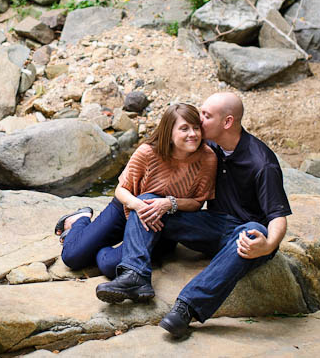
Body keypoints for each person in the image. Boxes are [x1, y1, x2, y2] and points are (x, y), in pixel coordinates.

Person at [95, 92, 292, 339]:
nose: (199, 120)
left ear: (227, 122)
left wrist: (268, 245)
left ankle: (186, 309)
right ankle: (135, 275)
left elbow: (277, 216)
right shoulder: (210, 145)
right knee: (148, 201)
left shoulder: (261, 162)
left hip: (243, 238)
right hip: (212, 226)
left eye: (206, 116)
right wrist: (165, 201)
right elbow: (171, 148)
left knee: (255, 228)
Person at [56, 103, 217, 282]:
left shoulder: (207, 159)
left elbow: (197, 202)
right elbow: (121, 190)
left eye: (196, 128)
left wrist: (169, 203)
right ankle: (80, 219)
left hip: (161, 223)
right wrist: (138, 206)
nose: (193, 134)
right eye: (184, 129)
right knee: (72, 257)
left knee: (111, 267)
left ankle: (100, 248)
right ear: (169, 133)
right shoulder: (148, 152)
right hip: (127, 208)